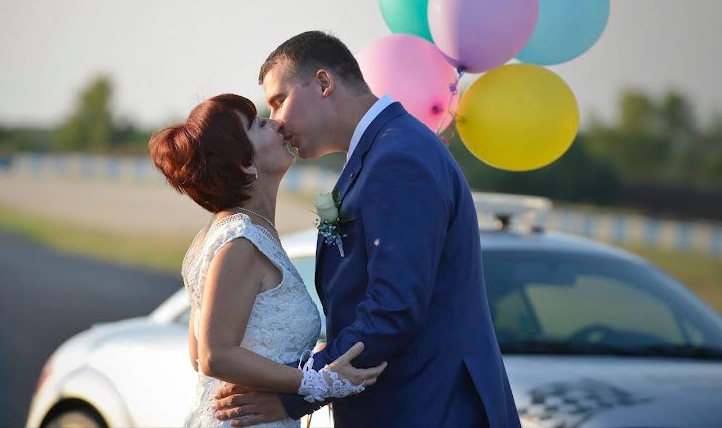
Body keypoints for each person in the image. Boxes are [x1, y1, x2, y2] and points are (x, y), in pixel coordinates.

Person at [214, 32, 520, 427]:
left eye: (279, 101)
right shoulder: (384, 151)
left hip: (426, 408)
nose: (276, 122)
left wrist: (301, 391)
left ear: (324, 83)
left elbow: (393, 308)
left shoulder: (398, 159)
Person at [149, 93, 386, 427]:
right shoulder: (241, 241)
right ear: (244, 162)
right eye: (259, 124)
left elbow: (198, 351)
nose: (276, 123)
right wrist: (316, 382)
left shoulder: (223, 233)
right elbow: (213, 355)